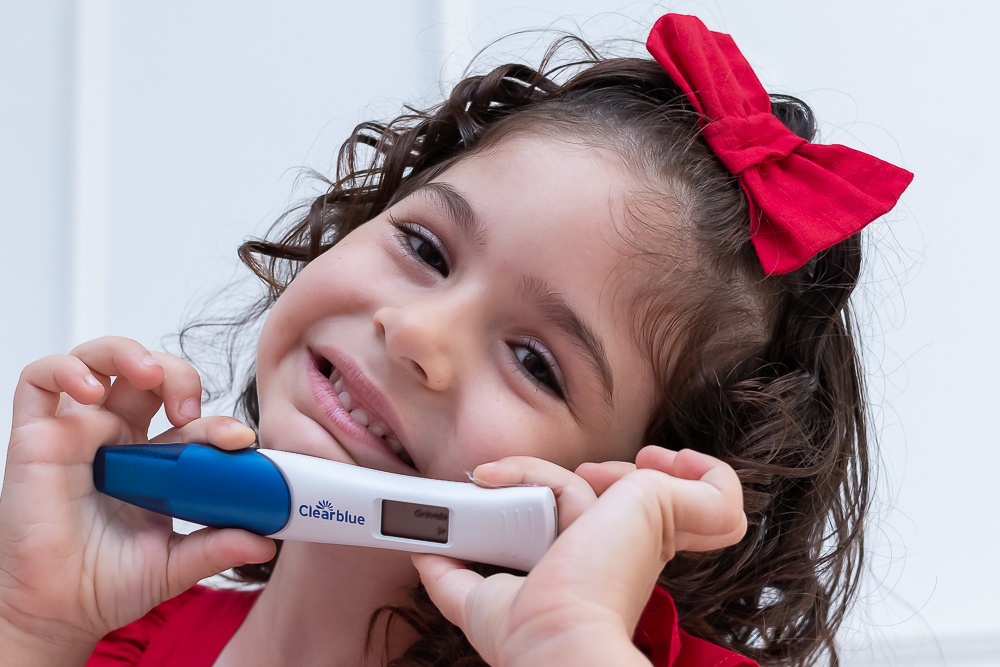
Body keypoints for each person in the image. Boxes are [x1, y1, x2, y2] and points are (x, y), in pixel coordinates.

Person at [0, 13, 912, 667]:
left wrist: (568, 644)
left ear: (635, 484)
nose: (417, 335)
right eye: (426, 247)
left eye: (533, 360)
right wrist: (34, 626)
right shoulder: (113, 641)